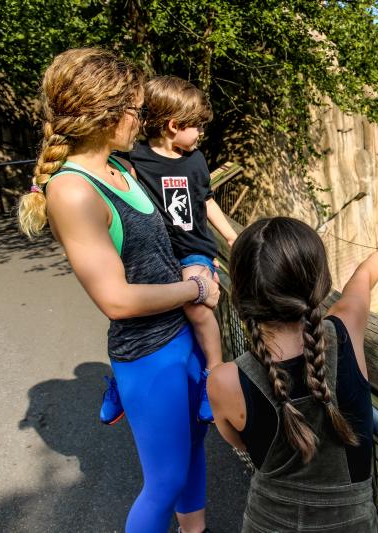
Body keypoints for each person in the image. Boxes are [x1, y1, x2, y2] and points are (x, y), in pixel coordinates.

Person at [17, 48, 217, 533]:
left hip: (181, 342)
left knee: (192, 453)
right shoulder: (74, 190)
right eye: (134, 108)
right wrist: (193, 288)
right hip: (148, 354)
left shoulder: (123, 169)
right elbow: (116, 299)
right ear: (108, 114)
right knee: (163, 481)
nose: (140, 119)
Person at [207, 217, 378, 532]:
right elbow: (360, 284)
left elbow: (240, 443)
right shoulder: (344, 332)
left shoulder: (224, 380)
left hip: (267, 521)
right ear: (320, 283)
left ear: (242, 292)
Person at [122, 75, 239, 423]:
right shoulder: (135, 159)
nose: (201, 134)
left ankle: (214, 377)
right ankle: (123, 382)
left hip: (193, 250)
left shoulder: (196, 160)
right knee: (136, 318)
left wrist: (232, 237)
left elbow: (206, 202)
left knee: (198, 305)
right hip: (155, 253)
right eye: (196, 127)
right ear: (173, 126)